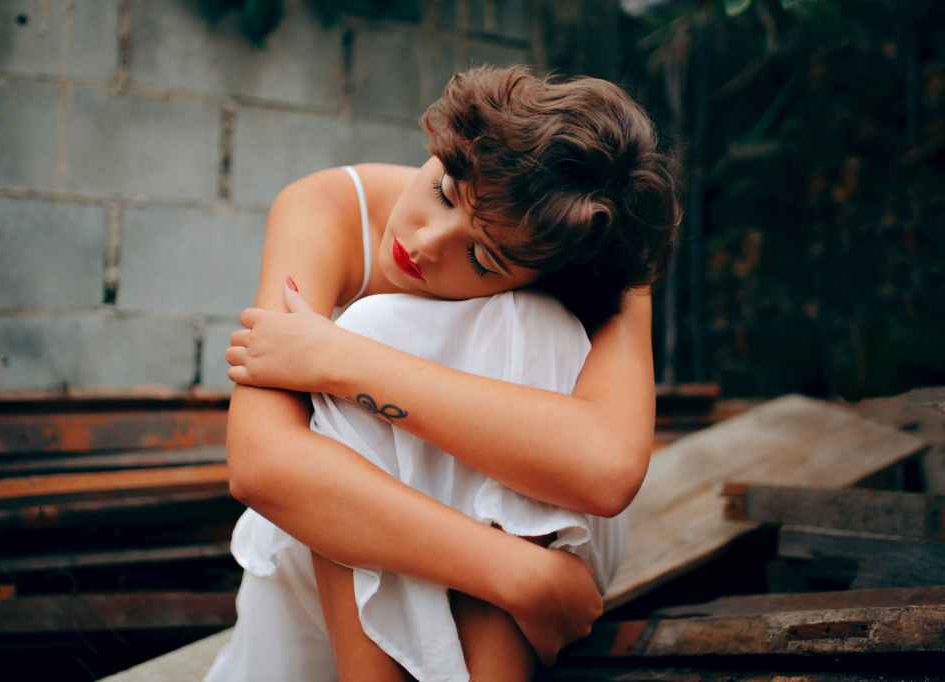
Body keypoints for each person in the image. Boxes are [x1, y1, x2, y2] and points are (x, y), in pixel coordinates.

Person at [216, 63, 681, 679]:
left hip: (554, 543)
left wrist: (337, 359)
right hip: (332, 572)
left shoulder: (588, 242)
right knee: (375, 323)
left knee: (523, 322)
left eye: (482, 258)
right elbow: (260, 466)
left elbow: (605, 470)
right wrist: (518, 574)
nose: (427, 240)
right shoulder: (325, 207)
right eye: (442, 190)